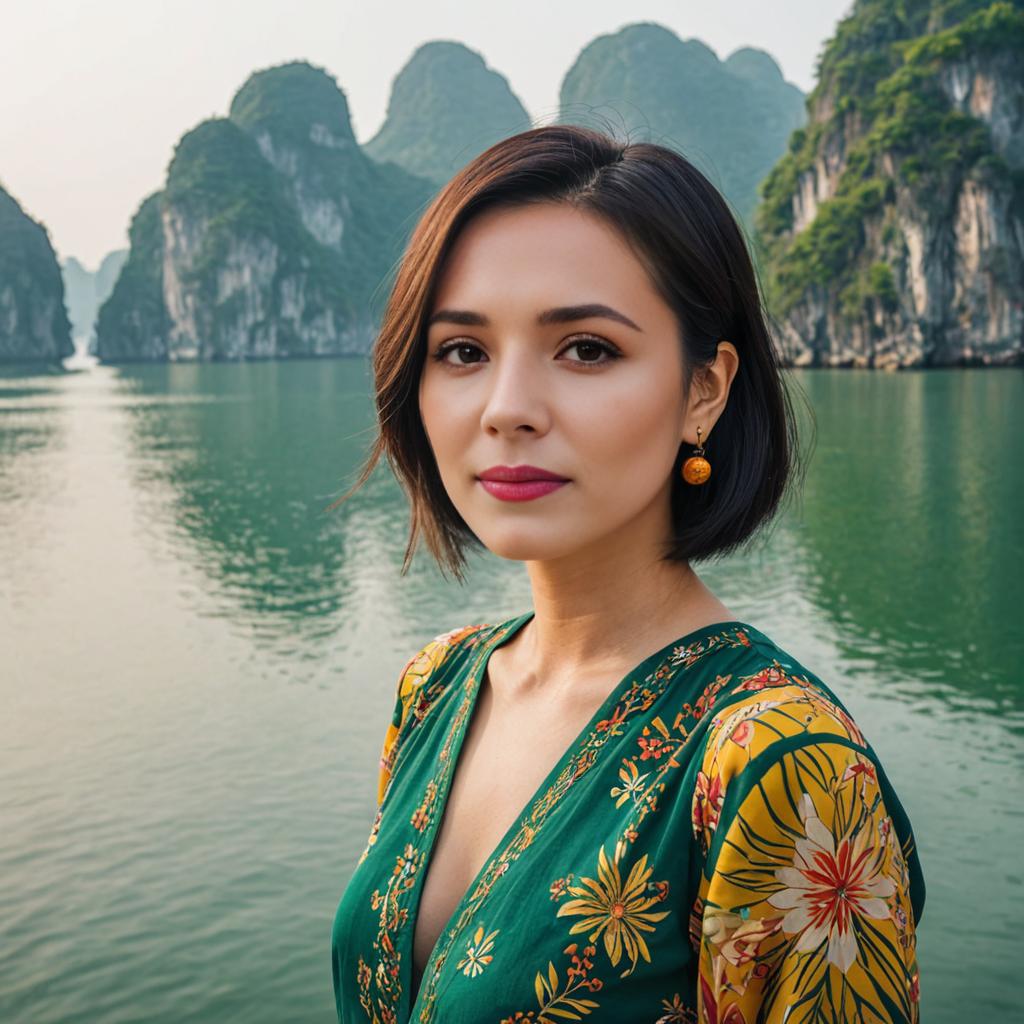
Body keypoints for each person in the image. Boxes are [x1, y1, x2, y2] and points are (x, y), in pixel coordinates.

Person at [328, 123, 924, 1024]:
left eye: (587, 350)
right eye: (462, 352)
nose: (508, 410)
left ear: (704, 392)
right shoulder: (437, 685)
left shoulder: (784, 768)